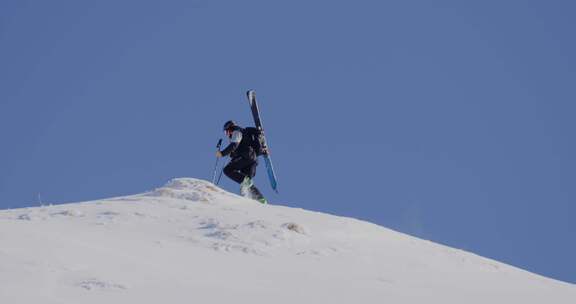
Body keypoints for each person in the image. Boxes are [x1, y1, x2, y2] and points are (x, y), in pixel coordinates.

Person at [216, 120, 267, 203]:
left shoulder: (236, 131)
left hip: (246, 156)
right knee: (246, 186)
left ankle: (246, 181)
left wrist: (222, 153)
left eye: (226, 132)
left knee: (227, 170)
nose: (227, 134)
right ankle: (260, 199)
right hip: (252, 160)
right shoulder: (244, 134)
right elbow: (244, 147)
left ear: (230, 128)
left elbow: (234, 145)